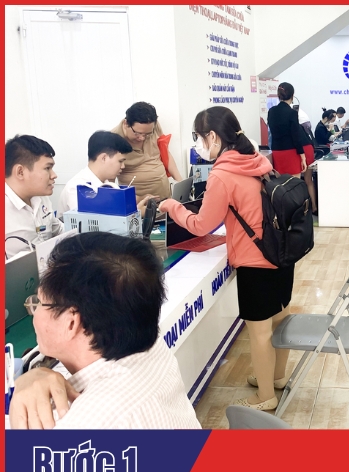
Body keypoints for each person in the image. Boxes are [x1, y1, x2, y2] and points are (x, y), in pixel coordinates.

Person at [158, 106, 293, 411]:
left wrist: (172, 206)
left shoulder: (222, 174)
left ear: (214, 137)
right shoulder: (256, 159)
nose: (198, 144)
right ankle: (276, 377)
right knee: (279, 320)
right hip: (281, 251)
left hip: (255, 261)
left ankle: (265, 396)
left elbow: (201, 225)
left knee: (259, 333)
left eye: (198, 137)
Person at [8, 232, 201, 429]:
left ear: (71, 323)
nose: (35, 312)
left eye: (40, 302)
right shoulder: (153, 348)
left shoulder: (81, 425)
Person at [5, 135, 64, 260]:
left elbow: (58, 230)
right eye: (47, 168)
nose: (54, 175)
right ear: (20, 172)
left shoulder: (41, 198)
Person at [112, 102, 183, 204]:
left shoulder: (152, 126)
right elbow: (111, 186)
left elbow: (165, 153)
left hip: (166, 198)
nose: (142, 138)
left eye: (147, 134)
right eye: (138, 133)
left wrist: (180, 183)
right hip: (139, 204)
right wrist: (140, 199)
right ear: (126, 123)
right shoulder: (113, 140)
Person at [57, 131, 132, 214]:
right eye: (120, 161)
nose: (123, 166)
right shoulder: (77, 188)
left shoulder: (106, 184)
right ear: (104, 158)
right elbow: (87, 220)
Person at [268, 82, 310, 177]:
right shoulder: (292, 113)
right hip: (291, 151)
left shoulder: (271, 111)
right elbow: (296, 136)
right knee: (294, 183)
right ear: (292, 95)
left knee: (281, 182)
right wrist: (302, 156)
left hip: (277, 151)